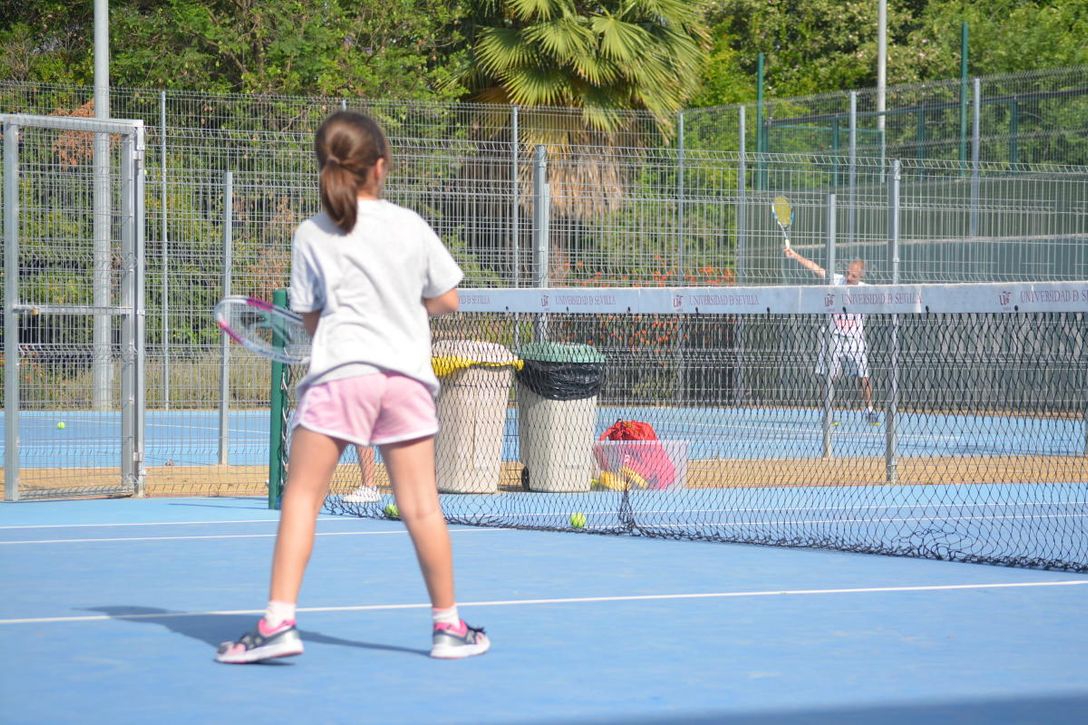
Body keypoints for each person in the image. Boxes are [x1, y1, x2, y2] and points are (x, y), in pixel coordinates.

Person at [216, 111, 489, 664]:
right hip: (407, 379)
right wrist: (402, 305)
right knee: (421, 507)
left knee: (301, 500)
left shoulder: (311, 233)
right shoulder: (410, 224)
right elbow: (448, 299)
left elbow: (311, 320)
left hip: (341, 377)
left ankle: (278, 624)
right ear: (381, 167)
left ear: (326, 167)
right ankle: (449, 629)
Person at [784, 247, 880, 426]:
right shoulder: (837, 281)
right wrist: (794, 255)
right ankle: (827, 413)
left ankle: (870, 411)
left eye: (854, 276)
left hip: (855, 341)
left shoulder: (868, 291)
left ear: (861, 276)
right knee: (828, 377)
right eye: (848, 273)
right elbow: (815, 268)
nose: (849, 278)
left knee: (864, 377)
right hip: (833, 338)